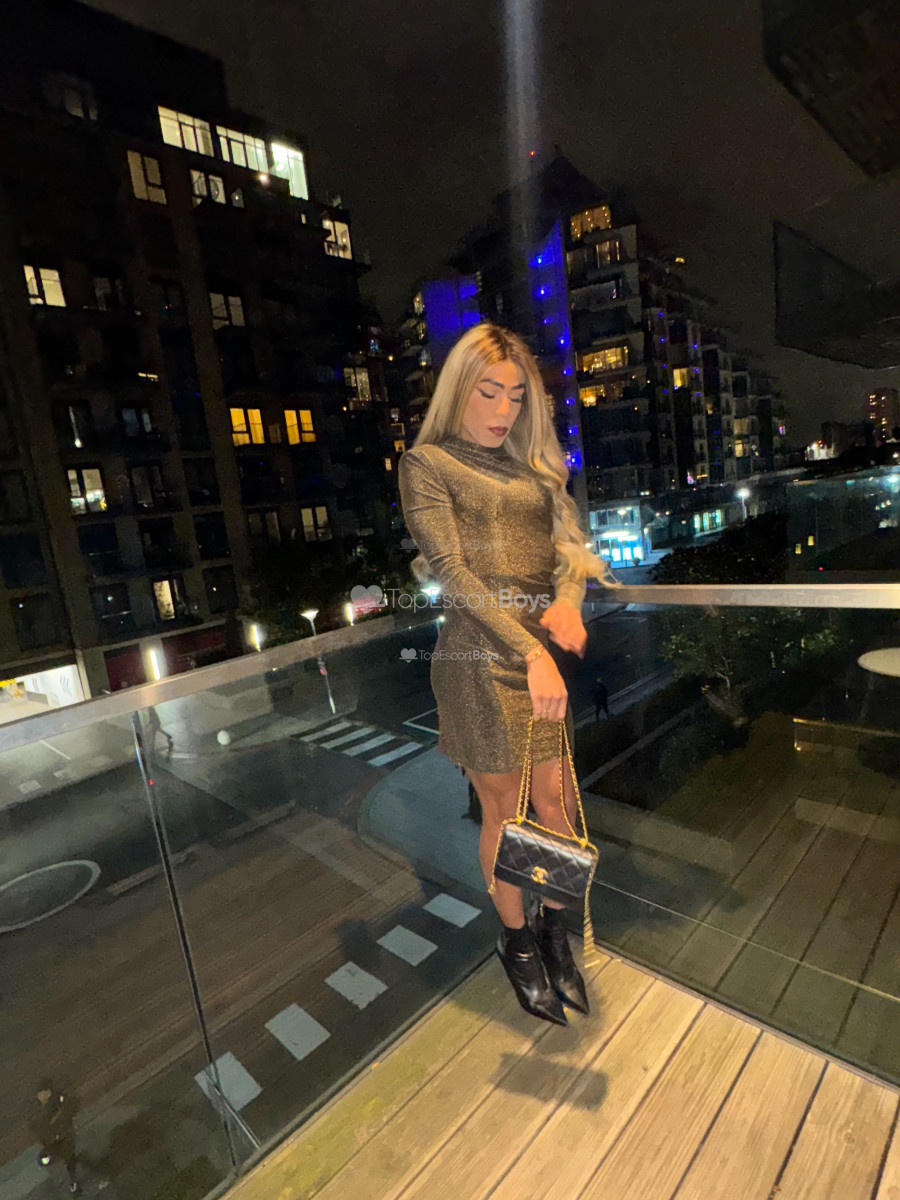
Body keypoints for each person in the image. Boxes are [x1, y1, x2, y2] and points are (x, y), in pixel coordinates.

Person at [398, 323, 619, 1026]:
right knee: (505, 811)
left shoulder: (532, 471)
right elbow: (453, 574)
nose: (502, 410)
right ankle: (517, 941)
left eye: (516, 396)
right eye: (488, 392)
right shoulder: (427, 464)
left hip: (537, 658)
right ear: (459, 389)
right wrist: (532, 653)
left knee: (556, 805)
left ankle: (555, 933)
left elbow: (570, 553)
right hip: (480, 659)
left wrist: (568, 601)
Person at [30, 1081, 81, 1194]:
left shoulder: (57, 1103)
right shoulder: (41, 1113)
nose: (40, 1097)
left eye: (42, 1093)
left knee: (68, 1159)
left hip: (62, 1137)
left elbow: (70, 1108)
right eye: (39, 1095)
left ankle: (74, 1184)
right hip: (57, 1140)